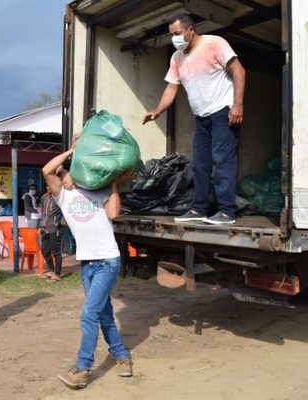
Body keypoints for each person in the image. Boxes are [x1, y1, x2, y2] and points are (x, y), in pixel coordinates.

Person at [43, 133, 135, 389]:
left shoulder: (100, 191)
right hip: (88, 264)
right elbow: (47, 169)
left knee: (89, 315)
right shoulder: (63, 196)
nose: (64, 177)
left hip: (107, 261)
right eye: (63, 175)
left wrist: (115, 185)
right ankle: (122, 357)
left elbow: (114, 214)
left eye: (67, 173)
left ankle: (82, 369)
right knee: (104, 315)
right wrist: (72, 149)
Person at [142, 14, 246, 225]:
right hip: (202, 118)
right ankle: (199, 209)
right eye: (172, 35)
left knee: (223, 160)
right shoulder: (177, 58)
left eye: (178, 34)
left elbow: (239, 70)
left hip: (222, 112)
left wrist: (238, 104)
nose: (175, 39)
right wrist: (157, 111)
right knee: (200, 165)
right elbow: (172, 87)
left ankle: (227, 212)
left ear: (191, 30)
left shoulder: (214, 43)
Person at [39, 184, 63, 282]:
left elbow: (65, 211)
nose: (49, 187)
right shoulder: (43, 197)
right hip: (44, 228)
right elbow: (43, 212)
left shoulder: (59, 197)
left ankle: (57, 274)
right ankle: (51, 270)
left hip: (55, 228)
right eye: (47, 186)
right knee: (44, 250)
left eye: (50, 185)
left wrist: (59, 222)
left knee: (56, 252)